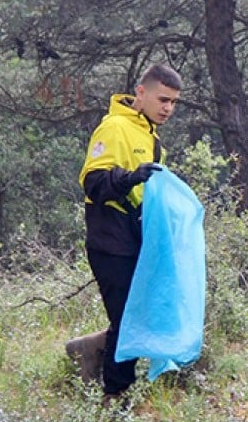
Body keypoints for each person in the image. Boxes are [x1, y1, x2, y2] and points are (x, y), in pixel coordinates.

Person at [78, 64, 182, 403]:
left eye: (173, 103)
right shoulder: (114, 128)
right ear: (141, 92)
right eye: (162, 99)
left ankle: (90, 350)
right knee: (129, 318)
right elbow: (93, 184)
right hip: (109, 239)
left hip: (139, 240)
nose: (167, 108)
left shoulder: (153, 142)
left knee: (141, 315)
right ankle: (115, 396)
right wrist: (129, 177)